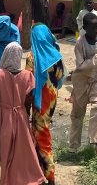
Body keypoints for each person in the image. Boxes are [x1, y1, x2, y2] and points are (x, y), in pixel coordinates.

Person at [0, 42, 45, 185]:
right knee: (24, 149)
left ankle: (8, 179)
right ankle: (32, 177)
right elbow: (28, 100)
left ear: (6, 55)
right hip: (21, 115)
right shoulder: (27, 76)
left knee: (7, 149)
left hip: (5, 116)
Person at [27, 23, 64, 184]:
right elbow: (60, 77)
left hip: (39, 101)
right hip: (52, 99)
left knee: (41, 134)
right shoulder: (56, 55)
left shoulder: (33, 57)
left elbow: (27, 81)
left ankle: (49, 175)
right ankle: (40, 172)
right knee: (40, 132)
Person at [69, 12, 97, 151]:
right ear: (85, 28)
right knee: (77, 114)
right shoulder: (80, 43)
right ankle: (74, 146)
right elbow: (80, 66)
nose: (95, 31)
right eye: (92, 28)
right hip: (81, 80)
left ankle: (95, 145)